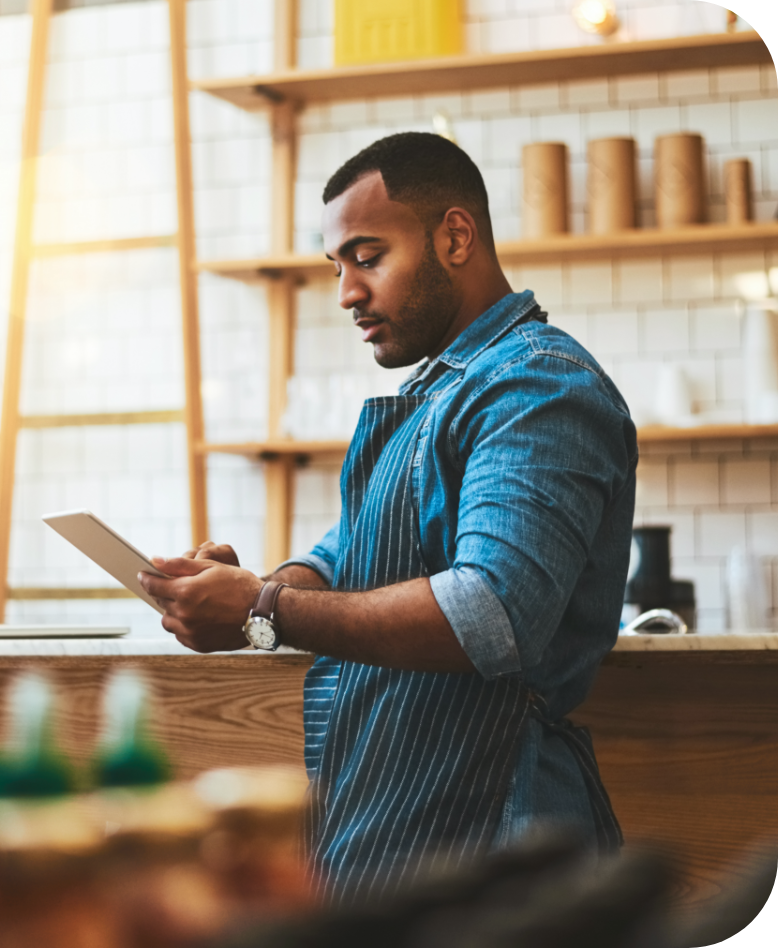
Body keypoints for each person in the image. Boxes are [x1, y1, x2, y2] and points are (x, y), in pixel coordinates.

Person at [139, 132, 637, 906]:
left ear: (455, 236)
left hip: (499, 837)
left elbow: (494, 613)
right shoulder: (444, 391)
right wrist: (250, 590)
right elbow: (346, 556)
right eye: (337, 266)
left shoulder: (538, 386)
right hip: (397, 827)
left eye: (368, 257)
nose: (345, 293)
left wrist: (264, 609)